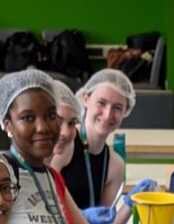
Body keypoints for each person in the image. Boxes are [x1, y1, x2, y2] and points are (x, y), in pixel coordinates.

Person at [0, 69, 151, 224]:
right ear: (8, 124)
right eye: (28, 118)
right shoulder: (0, 177)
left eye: (51, 116)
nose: (47, 128)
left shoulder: (50, 177)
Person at [58, 66, 135, 215]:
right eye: (101, 103)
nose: (107, 115)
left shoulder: (115, 165)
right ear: (86, 99)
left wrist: (131, 204)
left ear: (126, 111)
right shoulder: (64, 143)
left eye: (117, 108)